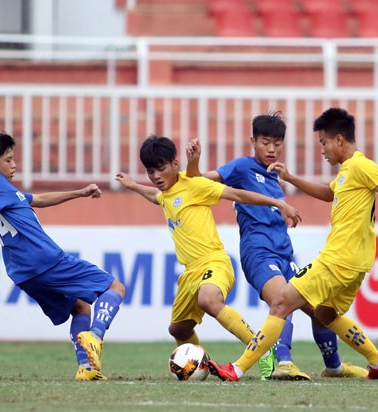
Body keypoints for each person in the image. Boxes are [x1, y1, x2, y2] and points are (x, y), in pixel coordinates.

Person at [206, 108, 378, 381]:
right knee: (323, 312)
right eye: (266, 142)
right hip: (351, 262)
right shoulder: (348, 171)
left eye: (323, 143)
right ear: (253, 141)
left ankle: (242, 368)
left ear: (338, 139)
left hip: (337, 259)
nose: (321, 150)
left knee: (282, 302)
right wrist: (290, 178)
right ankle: (376, 361)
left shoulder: (360, 166)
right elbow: (328, 193)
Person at [115, 134, 302, 369]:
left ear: (175, 165)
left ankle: (263, 352)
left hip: (214, 263)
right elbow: (158, 197)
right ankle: (195, 366)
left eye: (160, 169)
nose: (155, 177)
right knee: (178, 329)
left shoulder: (195, 186)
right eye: (150, 171)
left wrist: (278, 203)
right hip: (190, 273)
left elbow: (238, 194)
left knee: (208, 299)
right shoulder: (166, 193)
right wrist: (132, 185)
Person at [0, 131, 125, 382]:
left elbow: (40, 199)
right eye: (8, 159)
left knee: (80, 307)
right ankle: (95, 337)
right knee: (115, 287)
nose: (14, 164)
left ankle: (86, 367)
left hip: (25, 274)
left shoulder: (7, 192)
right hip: (46, 260)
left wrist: (80, 192)